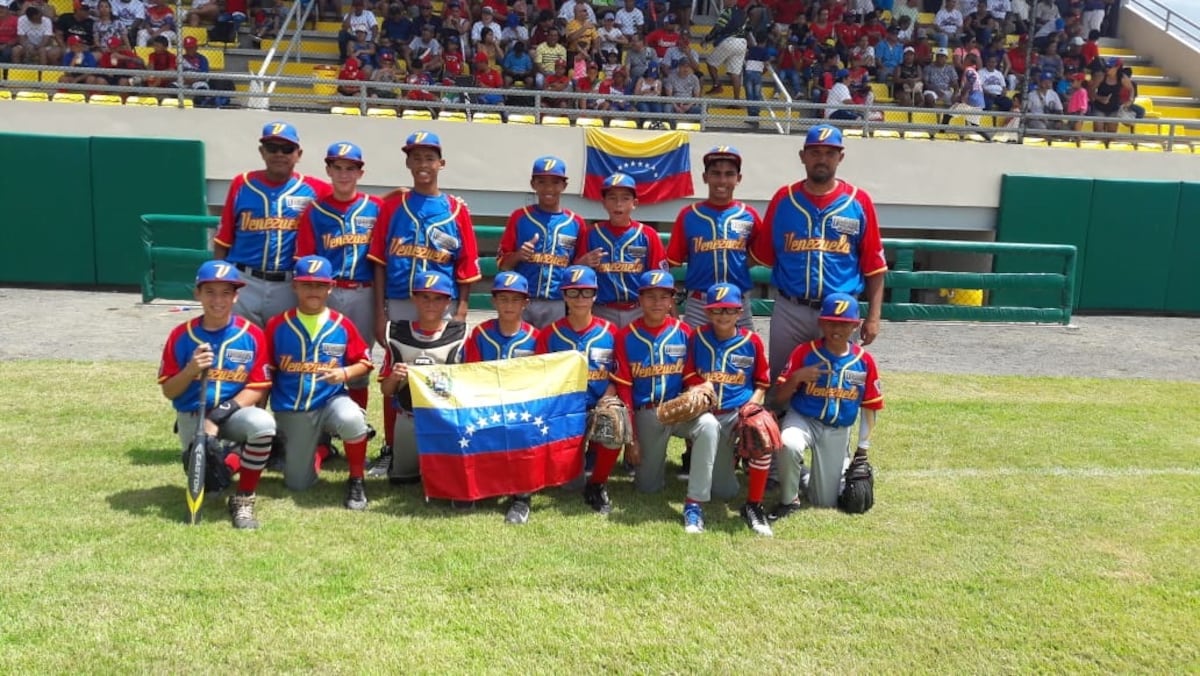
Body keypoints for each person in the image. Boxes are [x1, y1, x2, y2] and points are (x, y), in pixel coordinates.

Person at [367, 131, 481, 472]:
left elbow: (467, 263)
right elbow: (379, 261)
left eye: (429, 158)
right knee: (397, 372)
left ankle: (441, 445)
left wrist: (461, 310)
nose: (423, 164)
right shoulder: (393, 205)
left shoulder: (456, 209)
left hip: (440, 304)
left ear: (441, 163)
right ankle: (392, 446)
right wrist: (379, 311)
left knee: (442, 376)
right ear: (407, 163)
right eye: (416, 158)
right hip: (401, 301)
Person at [750, 125, 887, 382]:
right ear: (803, 156)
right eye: (815, 152)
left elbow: (874, 266)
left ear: (840, 157)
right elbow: (761, 255)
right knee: (781, 382)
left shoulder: (859, 201)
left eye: (829, 153)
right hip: (791, 308)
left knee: (839, 383)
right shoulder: (784, 199)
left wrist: (874, 318)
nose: (822, 159)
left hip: (841, 311)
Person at [158, 261, 276, 530]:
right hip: (192, 414)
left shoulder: (252, 334)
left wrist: (218, 415)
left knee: (263, 424)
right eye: (210, 292)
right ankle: (234, 457)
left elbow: (258, 386)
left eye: (226, 292)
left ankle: (244, 497)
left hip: (233, 413)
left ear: (236, 296)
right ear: (197, 294)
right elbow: (169, 390)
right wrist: (190, 370)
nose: (218, 300)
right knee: (211, 483)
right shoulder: (181, 335)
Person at [608, 271, 719, 532]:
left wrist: (700, 389)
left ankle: (694, 503)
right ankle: (649, 466)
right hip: (648, 413)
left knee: (710, 425)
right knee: (648, 488)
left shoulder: (685, 333)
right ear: (640, 299)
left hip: (680, 408)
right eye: (650, 296)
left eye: (663, 296)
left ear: (672, 301)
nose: (657, 302)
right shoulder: (626, 336)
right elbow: (624, 390)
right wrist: (631, 440)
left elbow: (691, 375)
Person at [264, 255, 374, 508]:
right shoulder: (277, 325)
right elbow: (265, 372)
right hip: (293, 408)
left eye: (319, 285)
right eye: (307, 284)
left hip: (331, 400)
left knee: (352, 419)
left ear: (330, 287)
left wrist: (345, 373)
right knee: (297, 484)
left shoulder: (341, 324)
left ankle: (356, 479)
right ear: (295, 286)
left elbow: (365, 362)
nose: (313, 290)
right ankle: (320, 451)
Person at [770, 293, 883, 518]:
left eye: (844, 324)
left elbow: (870, 407)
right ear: (820, 322)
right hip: (803, 419)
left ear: (855, 325)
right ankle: (788, 501)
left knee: (823, 501)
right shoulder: (804, 352)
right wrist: (796, 378)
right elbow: (778, 399)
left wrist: (862, 450)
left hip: (837, 429)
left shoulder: (864, 361)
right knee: (788, 443)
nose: (836, 329)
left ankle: (803, 474)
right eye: (830, 321)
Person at [294, 142, 383, 417]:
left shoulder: (376, 207)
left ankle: (355, 429)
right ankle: (320, 432)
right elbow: (305, 258)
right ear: (328, 170)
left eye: (350, 168)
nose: (344, 174)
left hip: (363, 291)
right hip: (326, 292)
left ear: (360, 172)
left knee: (358, 361)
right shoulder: (316, 210)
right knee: (321, 359)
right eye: (338, 168)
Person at [213, 122, 330, 327]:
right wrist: (220, 282)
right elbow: (223, 241)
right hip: (244, 280)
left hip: (287, 284)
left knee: (282, 348)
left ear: (298, 154)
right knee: (241, 344)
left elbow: (349, 200)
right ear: (262, 151)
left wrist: (392, 197)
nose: (279, 154)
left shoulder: (315, 189)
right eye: (272, 148)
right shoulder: (242, 183)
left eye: (286, 149)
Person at [682, 283, 772, 536]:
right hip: (706, 413)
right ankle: (693, 504)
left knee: (761, 431)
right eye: (717, 310)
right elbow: (688, 371)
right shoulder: (697, 336)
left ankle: (754, 505)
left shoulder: (751, 340)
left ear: (739, 311)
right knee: (721, 489)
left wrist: (754, 404)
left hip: (736, 413)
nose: (723, 315)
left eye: (729, 310)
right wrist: (698, 388)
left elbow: (763, 382)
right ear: (708, 313)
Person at [537, 265, 621, 515]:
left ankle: (597, 484)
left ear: (595, 295)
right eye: (573, 293)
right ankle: (572, 466)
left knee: (616, 419)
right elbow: (541, 378)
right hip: (564, 410)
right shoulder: (550, 334)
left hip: (597, 406)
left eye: (586, 293)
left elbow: (618, 375)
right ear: (563, 296)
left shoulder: (611, 332)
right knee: (569, 485)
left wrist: (607, 400)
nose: (580, 299)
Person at [461, 271, 541, 524]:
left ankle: (521, 497)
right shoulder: (480, 334)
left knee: (525, 430)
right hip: (486, 403)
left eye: (515, 300)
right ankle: (472, 487)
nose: (508, 305)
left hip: (522, 408)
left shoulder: (537, 338)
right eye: (503, 299)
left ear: (525, 303)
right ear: (493, 301)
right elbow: (470, 374)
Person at [374, 270, 467, 481]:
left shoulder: (460, 335)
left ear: (447, 302)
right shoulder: (397, 333)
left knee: (446, 478)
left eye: (437, 298)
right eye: (424, 297)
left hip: (445, 418)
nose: (430, 304)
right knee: (402, 478)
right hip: (408, 417)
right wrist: (394, 377)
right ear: (413, 298)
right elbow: (386, 391)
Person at [665, 146, 763, 331]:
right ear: (705, 177)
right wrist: (671, 304)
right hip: (699, 303)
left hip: (738, 301)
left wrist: (740, 262)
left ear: (738, 178)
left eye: (729, 174)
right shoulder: (689, 215)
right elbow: (669, 262)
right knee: (693, 355)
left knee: (744, 354)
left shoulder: (749, 215)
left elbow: (761, 253)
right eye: (716, 173)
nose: (722, 180)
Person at [497, 156, 588, 329]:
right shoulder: (519, 217)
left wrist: (581, 264)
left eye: (555, 182)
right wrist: (518, 255)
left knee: (551, 352)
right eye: (542, 182)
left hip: (558, 302)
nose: (548, 188)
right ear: (533, 184)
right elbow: (503, 264)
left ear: (564, 186)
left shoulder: (576, 222)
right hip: (522, 299)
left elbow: (578, 268)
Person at [576, 172, 668, 329]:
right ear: (604, 202)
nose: (618, 204)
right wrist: (582, 263)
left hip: (638, 309)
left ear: (635, 203)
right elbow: (576, 274)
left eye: (625, 198)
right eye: (612, 198)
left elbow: (660, 277)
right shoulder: (591, 233)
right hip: (602, 308)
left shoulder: (647, 234)